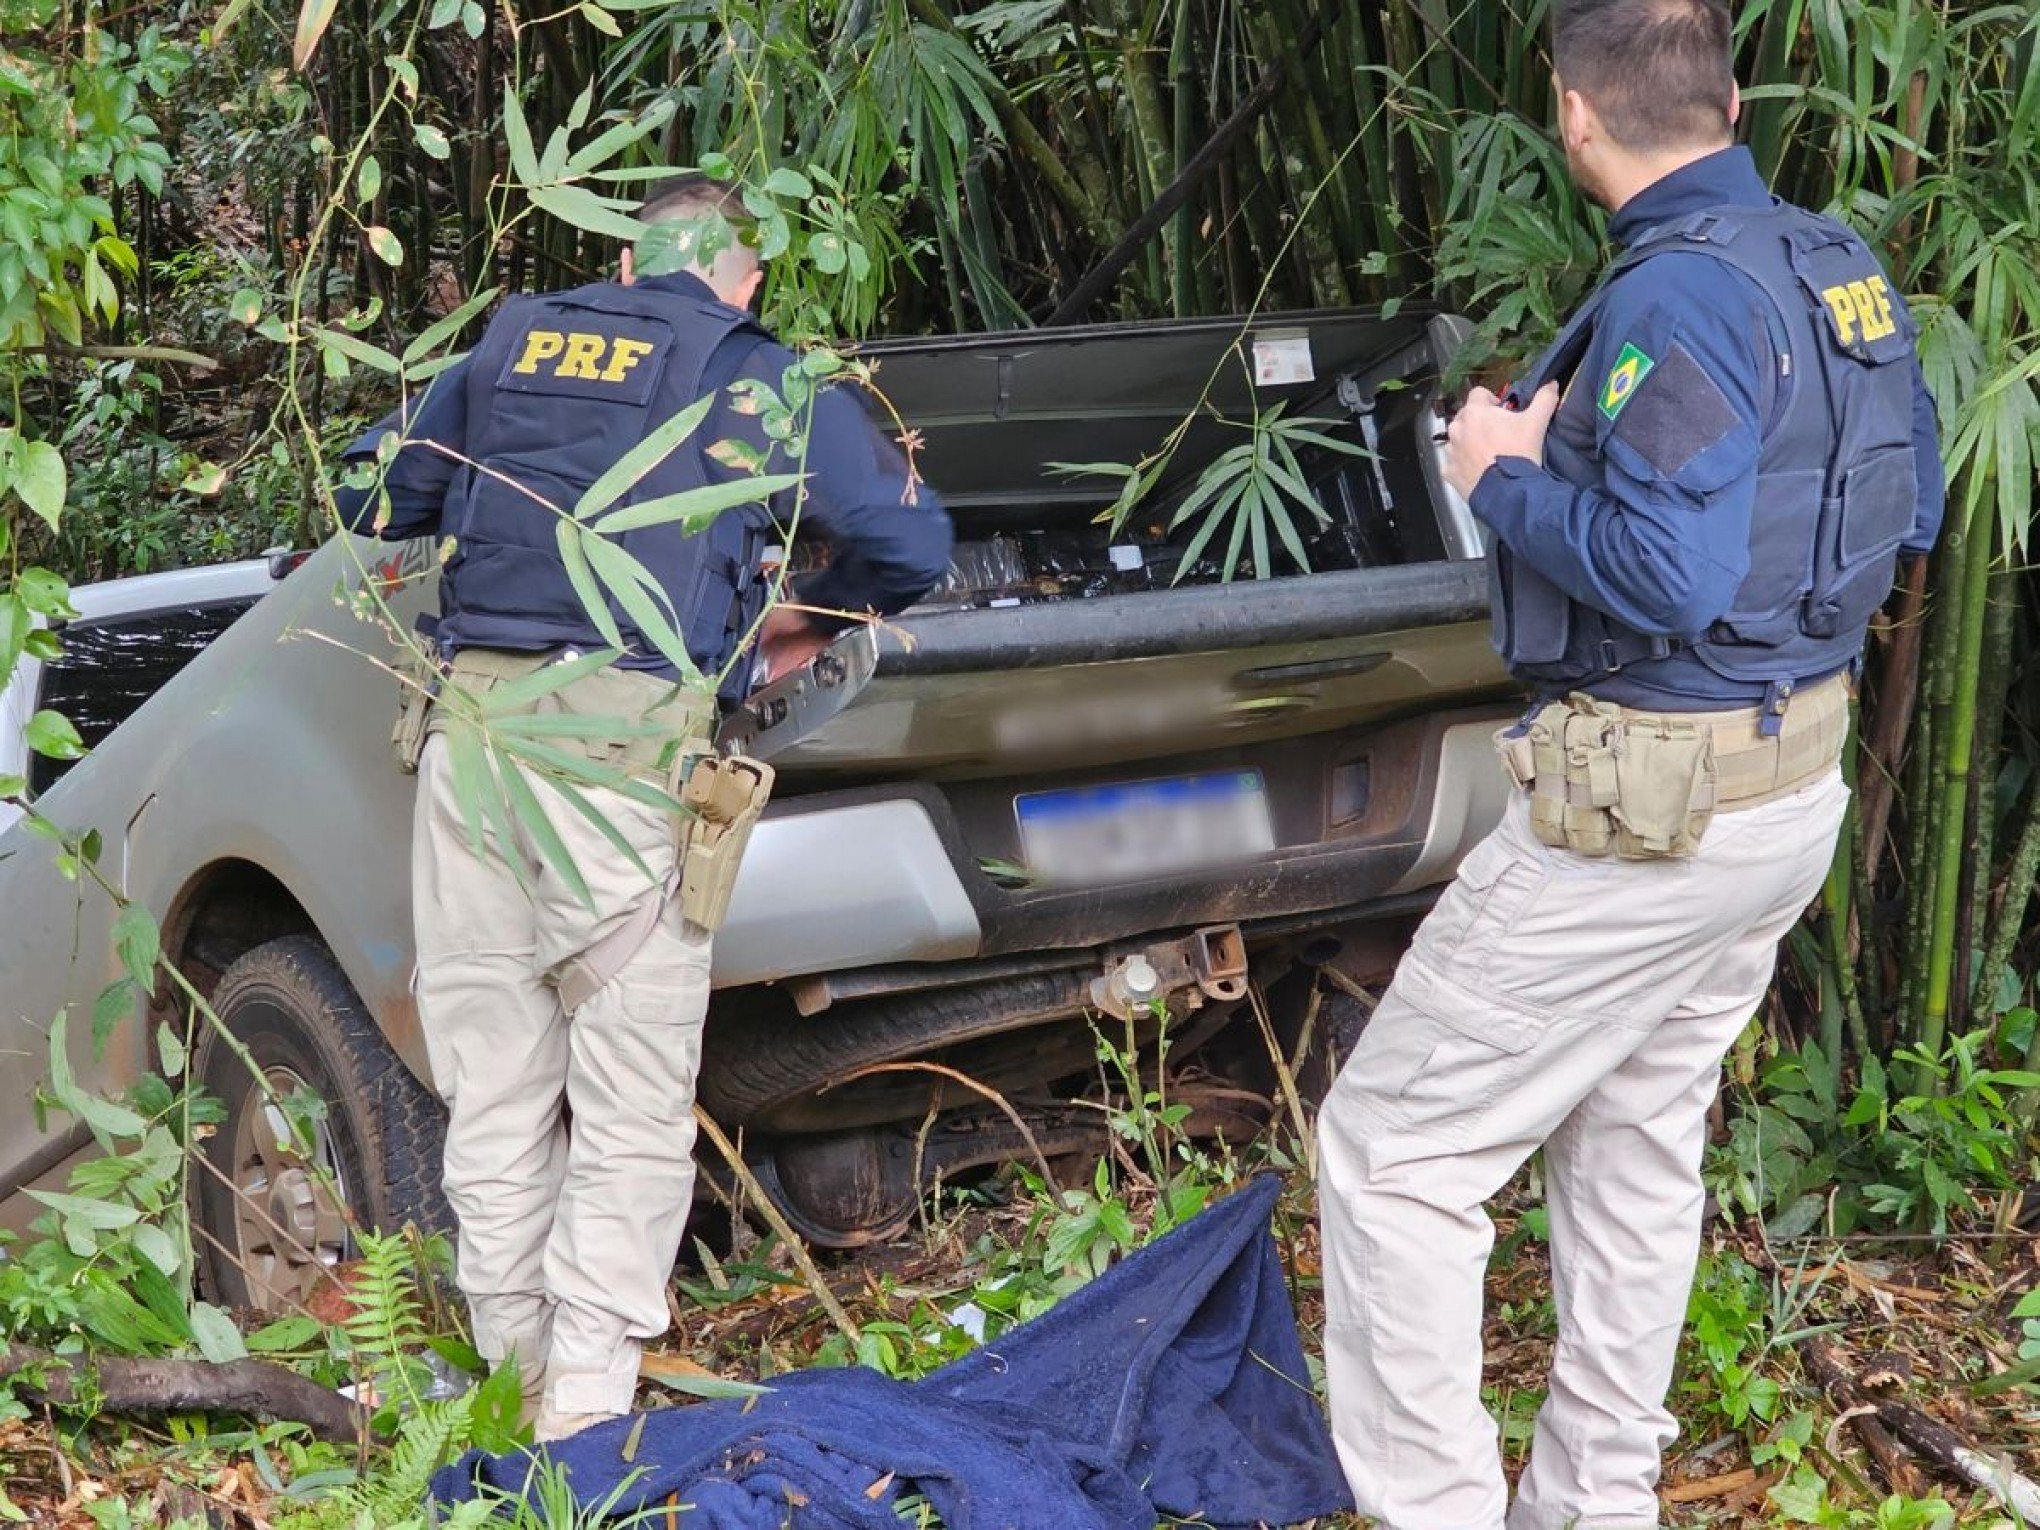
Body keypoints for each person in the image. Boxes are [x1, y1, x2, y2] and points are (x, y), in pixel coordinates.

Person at [1314, 2, 1943, 1526]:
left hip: (1646, 812)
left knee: (1395, 1155)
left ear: (1574, 118)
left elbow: (1661, 572)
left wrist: (1504, 476)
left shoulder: (1687, 297)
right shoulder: (1830, 264)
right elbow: (1905, 505)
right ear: (1732, 97)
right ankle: (1594, 1504)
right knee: (1638, 1145)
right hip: (1785, 784)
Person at [335, 174, 954, 1441]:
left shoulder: (512, 338)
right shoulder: (756, 369)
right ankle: (586, 1424)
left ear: (623, 270)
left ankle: (511, 1400)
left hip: (473, 746)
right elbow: (913, 547)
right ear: (747, 277)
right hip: (621, 765)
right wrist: (800, 609)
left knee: (496, 1092)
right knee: (626, 1102)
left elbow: (369, 495)